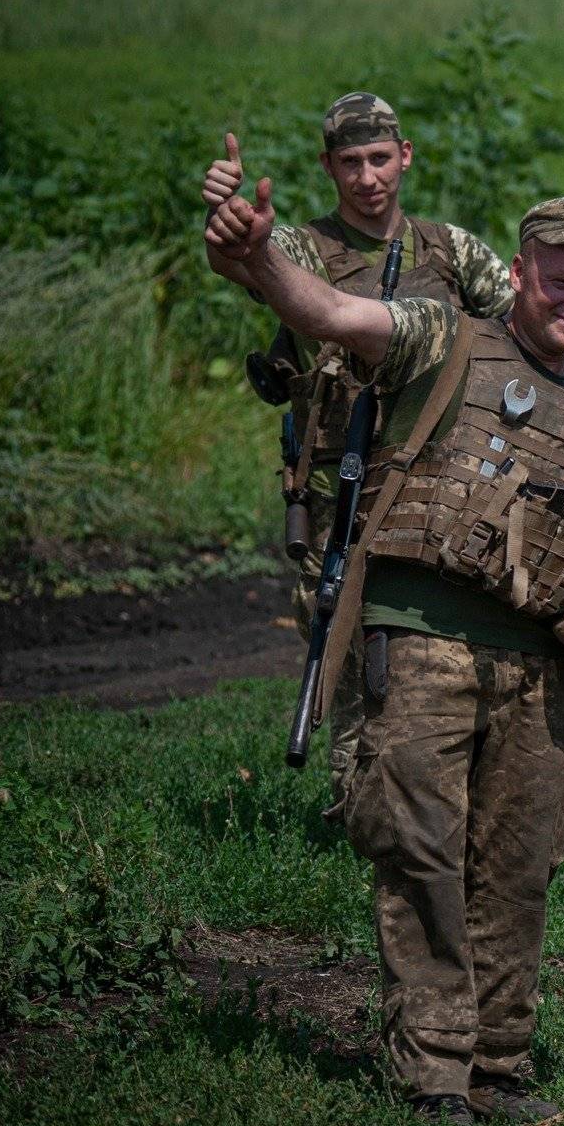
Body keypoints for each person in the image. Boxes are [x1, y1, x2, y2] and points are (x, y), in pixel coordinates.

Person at [204, 183, 564, 1125]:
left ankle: (499, 1064)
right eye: (563, 281)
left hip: (538, 666)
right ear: (521, 270)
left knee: (520, 863)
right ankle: (435, 1073)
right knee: (420, 855)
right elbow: (324, 309)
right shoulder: (439, 336)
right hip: (417, 642)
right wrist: (256, 254)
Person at [201, 93, 518, 805]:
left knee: (437, 649)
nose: (368, 176)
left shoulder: (452, 249)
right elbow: (244, 264)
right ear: (327, 167)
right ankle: (358, 804)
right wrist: (227, 231)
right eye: (351, 162)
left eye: (380, 158)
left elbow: (520, 333)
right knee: (341, 647)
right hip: (336, 487)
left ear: (405, 156)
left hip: (440, 484)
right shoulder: (304, 247)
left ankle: (442, 791)